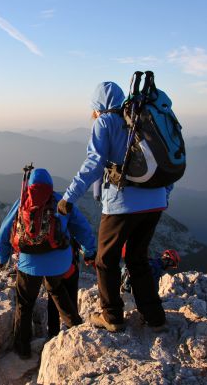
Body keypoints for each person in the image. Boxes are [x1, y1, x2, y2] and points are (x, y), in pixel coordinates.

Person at [57, 81, 173, 332]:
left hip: (122, 204)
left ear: (99, 105)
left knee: (105, 259)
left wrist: (69, 198)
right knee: (137, 259)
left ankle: (112, 316)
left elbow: (94, 164)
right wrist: (163, 195)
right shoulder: (144, 119)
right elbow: (166, 159)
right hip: (155, 203)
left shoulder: (106, 122)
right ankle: (154, 317)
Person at [0, 167, 96, 358]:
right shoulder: (61, 202)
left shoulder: (22, 202)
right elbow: (82, 228)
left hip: (28, 264)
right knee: (57, 291)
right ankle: (72, 328)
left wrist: (2, 257)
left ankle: (22, 348)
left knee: (25, 303)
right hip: (59, 263)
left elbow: (3, 233)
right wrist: (90, 251)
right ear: (50, 185)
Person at [47, 239, 82, 337]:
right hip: (69, 266)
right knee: (71, 298)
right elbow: (82, 232)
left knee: (53, 301)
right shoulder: (68, 223)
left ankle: (53, 334)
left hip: (49, 267)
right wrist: (90, 253)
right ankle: (73, 332)